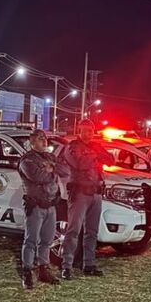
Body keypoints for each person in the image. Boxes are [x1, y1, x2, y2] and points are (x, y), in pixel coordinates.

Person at [58, 119, 114, 279]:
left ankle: (88, 264)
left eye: (91, 130)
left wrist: (95, 153)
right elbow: (80, 164)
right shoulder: (72, 147)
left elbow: (111, 160)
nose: (89, 133)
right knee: (73, 230)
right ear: (79, 131)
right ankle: (66, 266)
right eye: (85, 130)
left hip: (96, 193)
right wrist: (95, 155)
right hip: (80, 194)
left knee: (92, 231)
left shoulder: (95, 146)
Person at [17, 129, 68, 289]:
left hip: (51, 205)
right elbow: (38, 177)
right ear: (32, 142)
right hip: (35, 205)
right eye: (40, 139)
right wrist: (53, 171)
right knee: (31, 240)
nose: (44, 141)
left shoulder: (49, 157)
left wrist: (50, 167)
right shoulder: (27, 160)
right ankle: (27, 272)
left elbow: (66, 171)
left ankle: (43, 270)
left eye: (45, 138)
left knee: (46, 240)